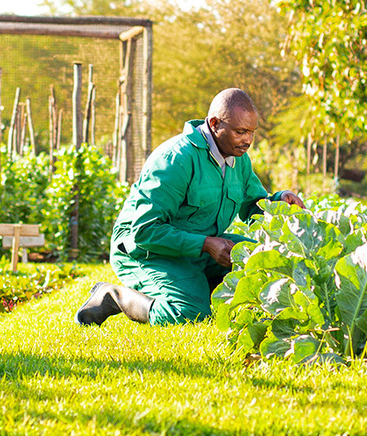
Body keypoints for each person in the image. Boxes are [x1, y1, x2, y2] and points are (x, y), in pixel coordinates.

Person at [75, 87, 303, 326]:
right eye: (240, 132)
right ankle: (113, 296)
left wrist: (280, 200)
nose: (248, 140)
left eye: (252, 132)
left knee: (264, 261)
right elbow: (144, 231)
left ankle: (198, 287)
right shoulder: (176, 159)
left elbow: (252, 206)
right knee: (190, 312)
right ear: (214, 124)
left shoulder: (238, 159)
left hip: (197, 247)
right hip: (144, 250)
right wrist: (205, 244)